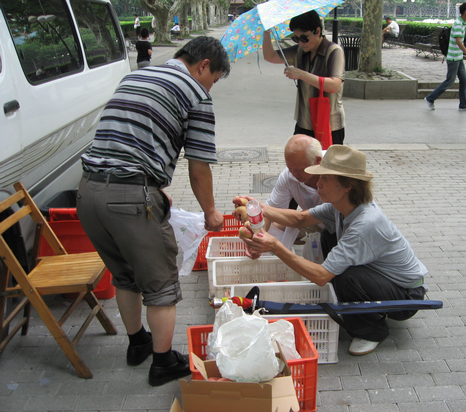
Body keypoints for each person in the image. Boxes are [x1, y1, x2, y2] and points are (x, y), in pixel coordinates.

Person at [76, 36, 230, 386]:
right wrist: (210, 212)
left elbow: (129, 137)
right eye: (215, 79)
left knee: (125, 275)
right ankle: (162, 364)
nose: (211, 87)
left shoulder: (134, 76)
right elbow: (199, 166)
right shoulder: (195, 93)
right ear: (203, 65)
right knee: (161, 284)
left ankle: (138, 343)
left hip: (88, 192)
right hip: (131, 199)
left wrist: (153, 185)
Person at [239, 145, 428, 356]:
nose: (317, 184)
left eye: (325, 179)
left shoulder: (365, 223)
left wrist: (276, 246)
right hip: (380, 278)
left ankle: (371, 330)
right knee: (328, 236)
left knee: (347, 276)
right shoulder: (340, 206)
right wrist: (258, 207)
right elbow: (299, 219)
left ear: (346, 185)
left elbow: (321, 276)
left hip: (406, 296)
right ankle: (346, 297)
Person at [262, 10, 346, 145]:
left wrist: (301, 74)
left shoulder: (334, 51)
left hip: (330, 124)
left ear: (317, 31)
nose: (301, 43)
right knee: (300, 164)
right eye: (296, 38)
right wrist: (266, 32)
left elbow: (334, 85)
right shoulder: (299, 51)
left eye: (304, 38)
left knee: (325, 165)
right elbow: (269, 56)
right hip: (305, 122)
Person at [424, 3, 466, 112]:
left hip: (458, 57)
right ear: (465, 11)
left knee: (464, 81)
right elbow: (458, 41)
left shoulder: (462, 23)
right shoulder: (458, 24)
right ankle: (430, 98)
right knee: (450, 81)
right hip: (453, 58)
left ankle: (463, 105)